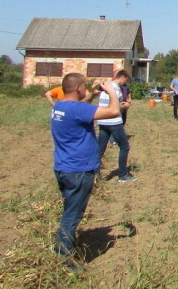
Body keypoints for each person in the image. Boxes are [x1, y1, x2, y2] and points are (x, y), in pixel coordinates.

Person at [50, 72, 120, 265]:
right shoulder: (77, 110)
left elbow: (84, 103)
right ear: (79, 89)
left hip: (63, 167)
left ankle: (65, 245)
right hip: (79, 169)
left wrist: (95, 92)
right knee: (73, 215)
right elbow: (114, 111)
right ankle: (64, 258)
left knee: (69, 210)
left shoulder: (60, 106)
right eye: (85, 88)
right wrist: (111, 91)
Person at [96, 70, 137, 183]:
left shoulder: (106, 86)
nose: (125, 83)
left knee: (100, 149)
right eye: (126, 80)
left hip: (103, 120)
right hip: (113, 121)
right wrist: (125, 106)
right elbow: (114, 107)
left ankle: (95, 174)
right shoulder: (115, 88)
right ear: (122, 77)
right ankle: (123, 175)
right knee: (124, 147)